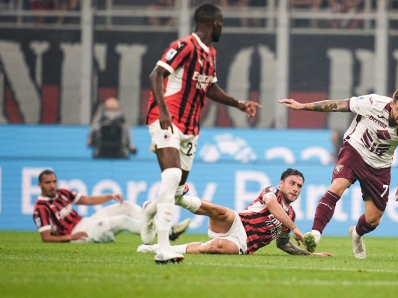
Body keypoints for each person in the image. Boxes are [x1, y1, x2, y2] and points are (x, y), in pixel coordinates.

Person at [142, 3, 262, 264]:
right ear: (215, 23)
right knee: (172, 175)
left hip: (190, 128)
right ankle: (163, 247)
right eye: (222, 23)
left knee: (176, 191)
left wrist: (239, 104)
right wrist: (163, 112)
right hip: (166, 119)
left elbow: (209, 88)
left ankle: (150, 210)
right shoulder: (185, 46)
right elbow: (155, 75)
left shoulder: (210, 54)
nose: (222, 28)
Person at [279, 86, 398, 259]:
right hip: (354, 150)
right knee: (338, 186)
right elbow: (336, 105)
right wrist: (303, 106)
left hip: (380, 166)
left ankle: (356, 234)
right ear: (392, 103)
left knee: (373, 219)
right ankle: (315, 235)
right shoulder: (373, 103)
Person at [137, 168, 332, 259]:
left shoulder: (290, 216)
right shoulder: (271, 192)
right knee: (220, 211)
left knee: (214, 246)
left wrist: (311, 255)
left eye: (299, 186)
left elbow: (283, 244)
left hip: (242, 244)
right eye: (292, 183)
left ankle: (159, 248)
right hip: (236, 223)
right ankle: (179, 198)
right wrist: (295, 228)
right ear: (281, 183)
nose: (296, 188)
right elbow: (271, 205)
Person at [32, 170, 190, 244]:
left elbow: (87, 200)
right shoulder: (41, 208)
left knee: (126, 206)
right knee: (123, 220)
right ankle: (169, 232)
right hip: (78, 235)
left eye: (54, 181)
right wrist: (70, 237)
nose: (52, 185)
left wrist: (110, 197)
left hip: (87, 222)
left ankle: (161, 229)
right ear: (40, 185)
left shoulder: (62, 193)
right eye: (48, 183)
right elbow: (46, 238)